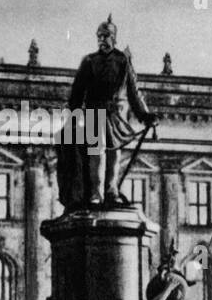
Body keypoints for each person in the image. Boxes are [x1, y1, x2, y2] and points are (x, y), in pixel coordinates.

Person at [57, 16, 158, 208]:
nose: (102, 40)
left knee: (114, 154)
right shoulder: (89, 61)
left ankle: (111, 192)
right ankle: (97, 194)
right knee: (97, 152)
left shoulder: (123, 61)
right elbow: (77, 93)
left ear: (114, 37)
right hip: (94, 113)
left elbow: (133, 91)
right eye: (99, 37)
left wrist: (145, 115)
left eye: (105, 36)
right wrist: (74, 115)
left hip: (115, 115)